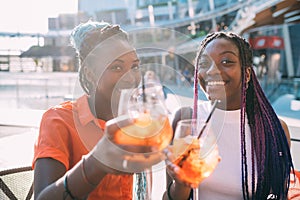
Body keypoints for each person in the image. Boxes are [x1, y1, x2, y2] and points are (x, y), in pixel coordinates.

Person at [32, 20, 160, 199]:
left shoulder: (138, 123)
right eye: (116, 67)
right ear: (91, 73)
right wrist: (97, 161)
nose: (131, 77)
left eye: (135, 66)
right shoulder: (59, 120)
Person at [164, 31, 294, 200]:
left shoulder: (275, 130)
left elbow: (279, 195)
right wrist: (182, 183)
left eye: (226, 61)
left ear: (246, 74)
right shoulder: (184, 121)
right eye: (204, 63)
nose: (212, 71)